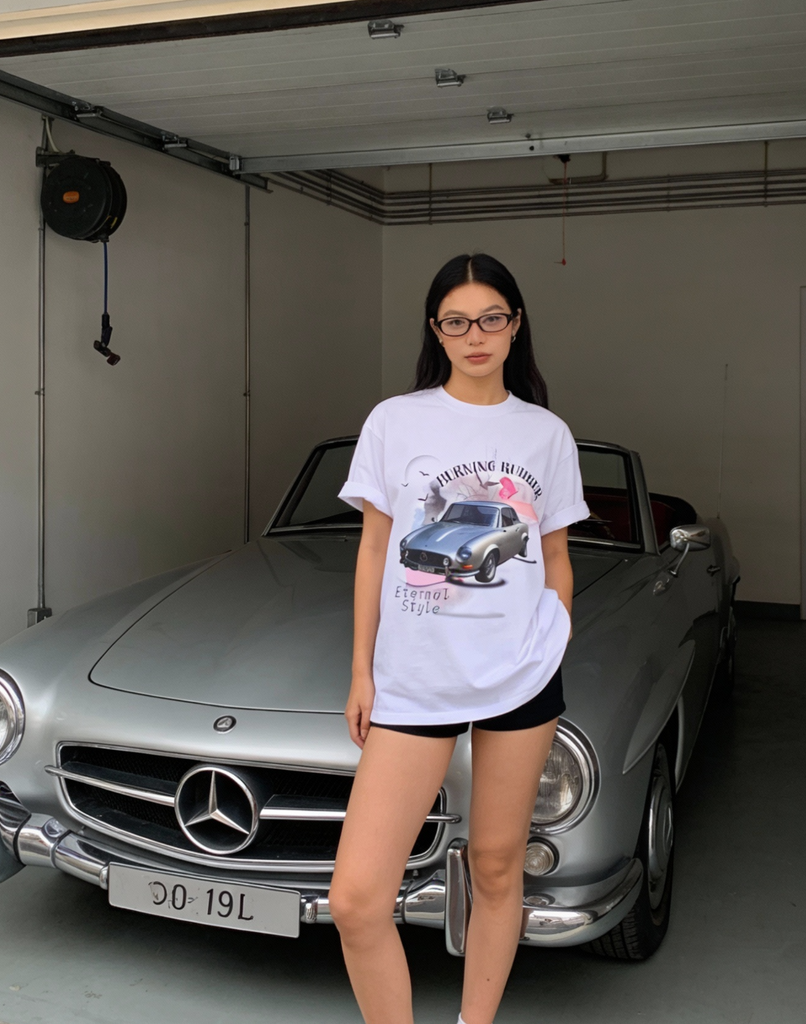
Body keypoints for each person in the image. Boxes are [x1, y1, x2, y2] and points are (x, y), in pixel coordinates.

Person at [329, 253, 589, 1024]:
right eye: (457, 321)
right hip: (414, 680)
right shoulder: (395, 420)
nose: (475, 335)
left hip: (522, 677)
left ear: (515, 325)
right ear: (435, 331)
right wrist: (362, 671)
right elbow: (376, 549)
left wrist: (554, 635)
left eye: (491, 318)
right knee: (356, 899)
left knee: (497, 867)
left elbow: (556, 554)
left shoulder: (546, 434)